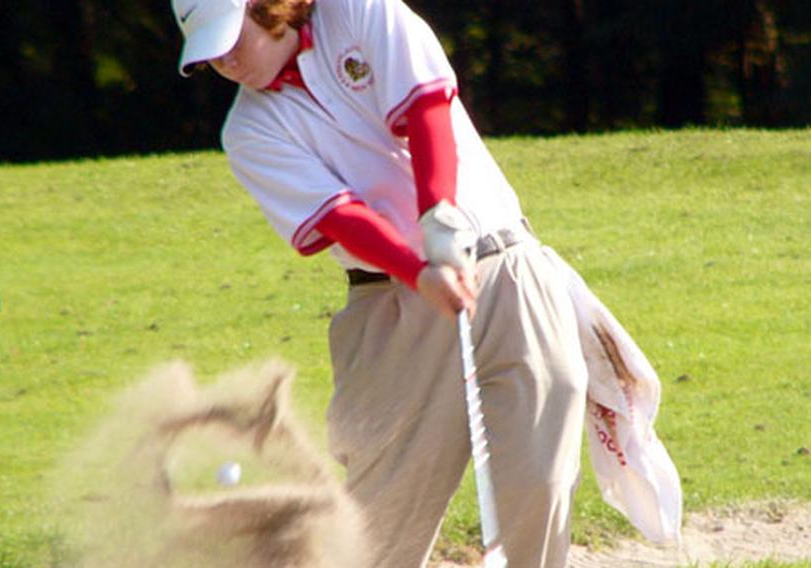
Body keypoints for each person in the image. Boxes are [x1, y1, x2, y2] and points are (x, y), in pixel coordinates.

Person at [170, 0, 591, 566]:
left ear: (266, 8)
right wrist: (418, 270)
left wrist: (439, 214)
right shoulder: (248, 132)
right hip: (393, 309)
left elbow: (426, 108)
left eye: (229, 39)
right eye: (210, 54)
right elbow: (340, 216)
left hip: (508, 267)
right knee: (378, 533)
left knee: (539, 484)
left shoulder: (362, 11)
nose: (224, 62)